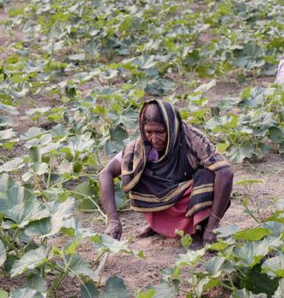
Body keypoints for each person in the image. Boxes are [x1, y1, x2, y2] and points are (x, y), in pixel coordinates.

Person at [99, 99, 234, 245]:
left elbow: (225, 172)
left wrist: (212, 227)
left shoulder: (192, 139)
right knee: (137, 170)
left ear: (171, 127)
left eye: (160, 132)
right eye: (149, 132)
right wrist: (113, 220)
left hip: (189, 197)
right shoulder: (141, 146)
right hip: (162, 198)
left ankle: (205, 227)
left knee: (208, 176)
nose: (154, 139)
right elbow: (105, 173)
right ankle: (158, 226)